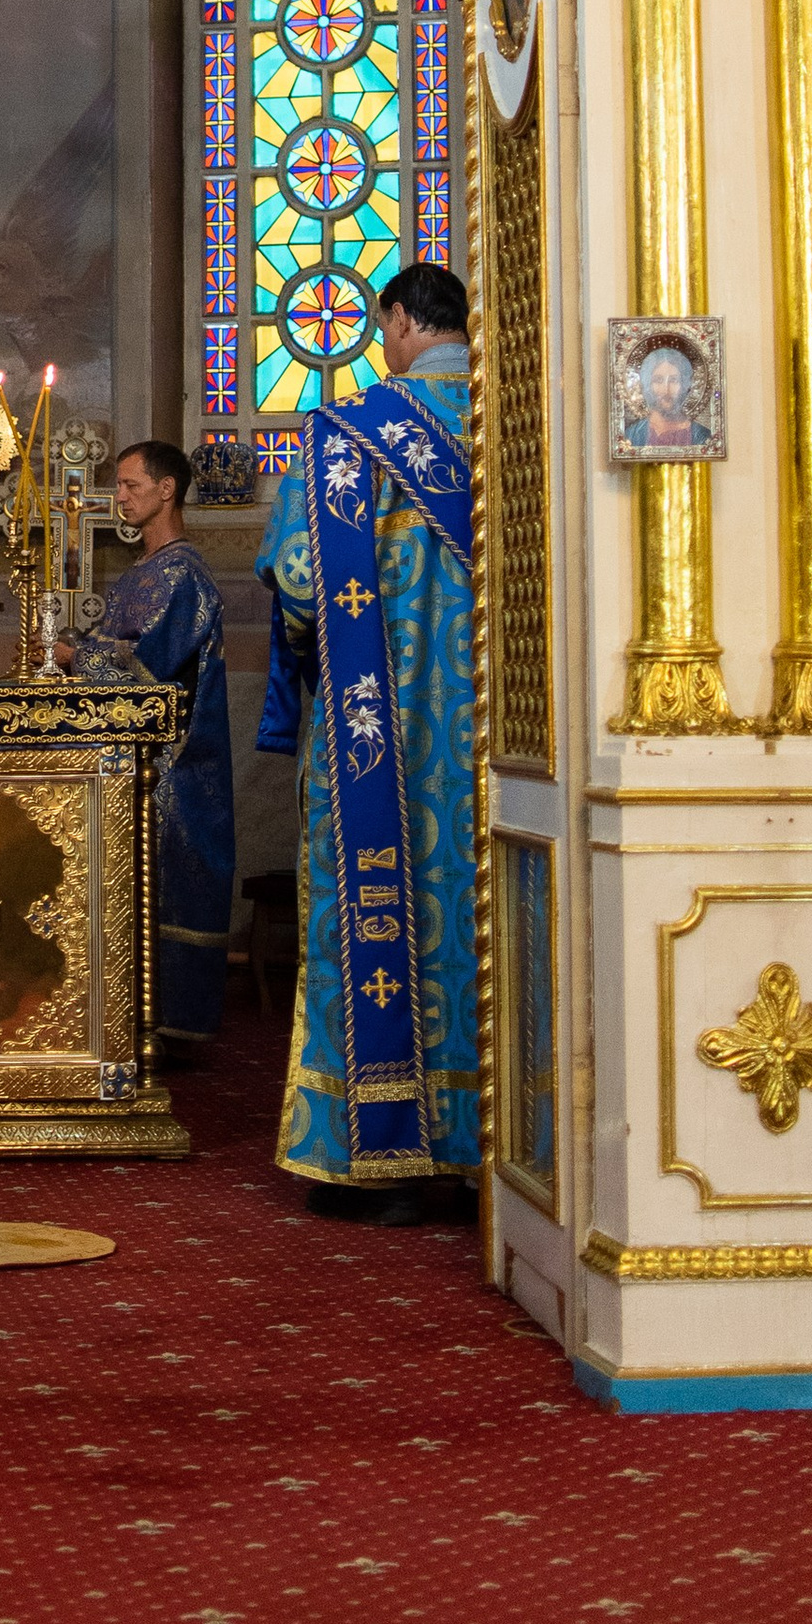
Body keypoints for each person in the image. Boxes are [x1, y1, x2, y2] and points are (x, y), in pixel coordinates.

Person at [257, 262, 477, 1217]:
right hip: (504, 732)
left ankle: (383, 1152)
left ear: (397, 318)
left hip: (377, 724)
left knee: (378, 910)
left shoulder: (349, 429)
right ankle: (500, 1150)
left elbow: (302, 578)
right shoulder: (524, 418)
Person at [55, 440, 233, 1045]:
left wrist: (76, 656)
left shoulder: (183, 573)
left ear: (167, 491)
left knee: (164, 884)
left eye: (131, 485)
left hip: (174, 765)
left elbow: (150, 665)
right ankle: (121, 1014)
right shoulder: (142, 572)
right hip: (133, 759)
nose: (120, 496)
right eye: (119, 485)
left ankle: (161, 1022)